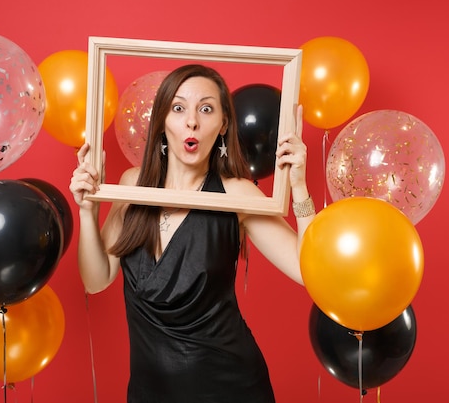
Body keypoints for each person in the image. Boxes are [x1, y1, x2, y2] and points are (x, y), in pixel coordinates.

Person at [69, 64, 316, 403]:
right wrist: (88, 210)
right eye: (179, 107)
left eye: (206, 108)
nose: (192, 122)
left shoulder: (237, 194)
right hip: (149, 393)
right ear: (163, 121)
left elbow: (309, 270)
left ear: (223, 124)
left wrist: (299, 188)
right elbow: (95, 280)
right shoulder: (132, 186)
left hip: (230, 389)